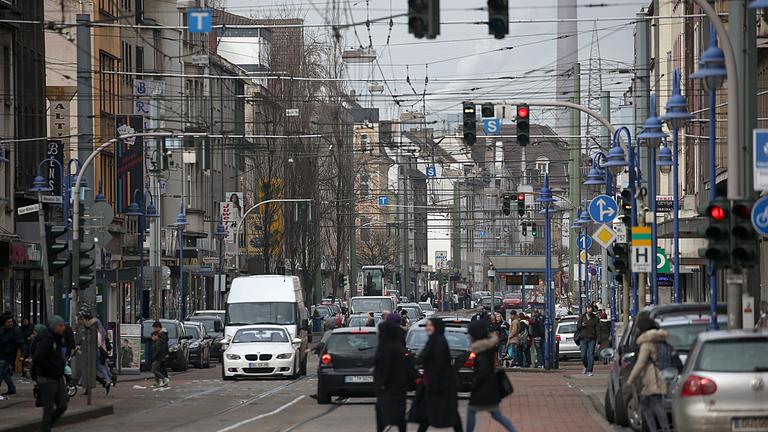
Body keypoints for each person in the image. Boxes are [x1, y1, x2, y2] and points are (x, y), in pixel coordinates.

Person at [412, 318, 463, 432]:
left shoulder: (439, 342)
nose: (427, 327)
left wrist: (432, 384)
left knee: (449, 413)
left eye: (430, 325)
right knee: (428, 413)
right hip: (434, 384)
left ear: (437, 327)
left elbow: (439, 365)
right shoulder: (433, 340)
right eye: (427, 325)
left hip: (442, 385)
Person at [466, 320, 517, 432]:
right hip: (490, 387)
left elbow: (482, 370)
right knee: (496, 414)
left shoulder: (481, 349)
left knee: (472, 411)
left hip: (483, 388)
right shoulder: (487, 346)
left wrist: (474, 384)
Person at [626, 321, 672, 432]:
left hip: (651, 377)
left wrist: (630, 380)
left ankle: (656, 429)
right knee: (655, 403)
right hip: (662, 374)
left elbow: (640, 363)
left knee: (650, 405)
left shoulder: (647, 343)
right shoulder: (661, 340)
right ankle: (663, 428)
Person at [33, 315, 68, 432]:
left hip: (57, 377)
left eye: (63, 325)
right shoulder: (47, 339)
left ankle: (46, 427)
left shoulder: (58, 338)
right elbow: (38, 357)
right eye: (60, 326)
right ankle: (45, 429)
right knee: (48, 408)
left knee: (62, 405)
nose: (63, 328)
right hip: (47, 378)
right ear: (54, 327)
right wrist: (52, 368)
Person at [374, 320, 409, 432]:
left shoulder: (388, 348)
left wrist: (382, 383)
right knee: (398, 417)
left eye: (379, 331)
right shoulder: (396, 346)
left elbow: (388, 368)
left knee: (385, 414)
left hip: (390, 389)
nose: (377, 333)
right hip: (397, 389)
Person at [77, 309, 112, 393]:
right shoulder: (92, 323)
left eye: (81, 319)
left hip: (94, 348)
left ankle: (107, 379)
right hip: (94, 347)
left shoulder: (92, 323)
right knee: (94, 365)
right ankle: (107, 379)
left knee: (95, 365)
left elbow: (101, 334)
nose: (80, 321)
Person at [0, 314, 25, 395]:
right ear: (4, 323)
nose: (10, 323)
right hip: (2, 354)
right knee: (5, 372)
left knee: (1, 370)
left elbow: (22, 343)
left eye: (11, 322)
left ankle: (11, 388)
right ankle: (12, 388)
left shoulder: (16, 331)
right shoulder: (2, 330)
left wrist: (23, 355)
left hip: (9, 355)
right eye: (8, 322)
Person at [576, 304, 599, 376]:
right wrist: (582, 325)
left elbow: (598, 330)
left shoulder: (595, 319)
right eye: (587, 309)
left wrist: (599, 340)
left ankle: (589, 370)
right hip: (583, 338)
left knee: (591, 354)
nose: (589, 310)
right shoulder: (582, 317)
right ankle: (586, 366)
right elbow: (578, 327)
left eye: (590, 309)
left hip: (592, 338)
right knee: (583, 355)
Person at [150, 321, 170, 387]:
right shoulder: (162, 335)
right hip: (162, 355)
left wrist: (154, 356)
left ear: (158, 327)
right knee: (161, 368)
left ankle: (164, 379)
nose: (154, 330)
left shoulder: (161, 335)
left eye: (155, 328)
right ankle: (162, 381)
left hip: (160, 356)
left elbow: (160, 348)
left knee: (156, 369)